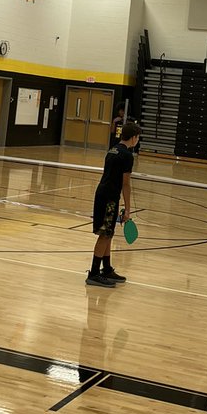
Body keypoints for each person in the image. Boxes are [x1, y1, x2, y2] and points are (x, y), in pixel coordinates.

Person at [87, 120, 141, 288]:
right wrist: (128, 210)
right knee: (105, 234)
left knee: (108, 233)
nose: (138, 140)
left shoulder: (112, 150)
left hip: (103, 195)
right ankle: (94, 273)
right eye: (138, 137)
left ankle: (107, 269)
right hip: (109, 198)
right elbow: (126, 184)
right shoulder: (127, 156)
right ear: (133, 138)